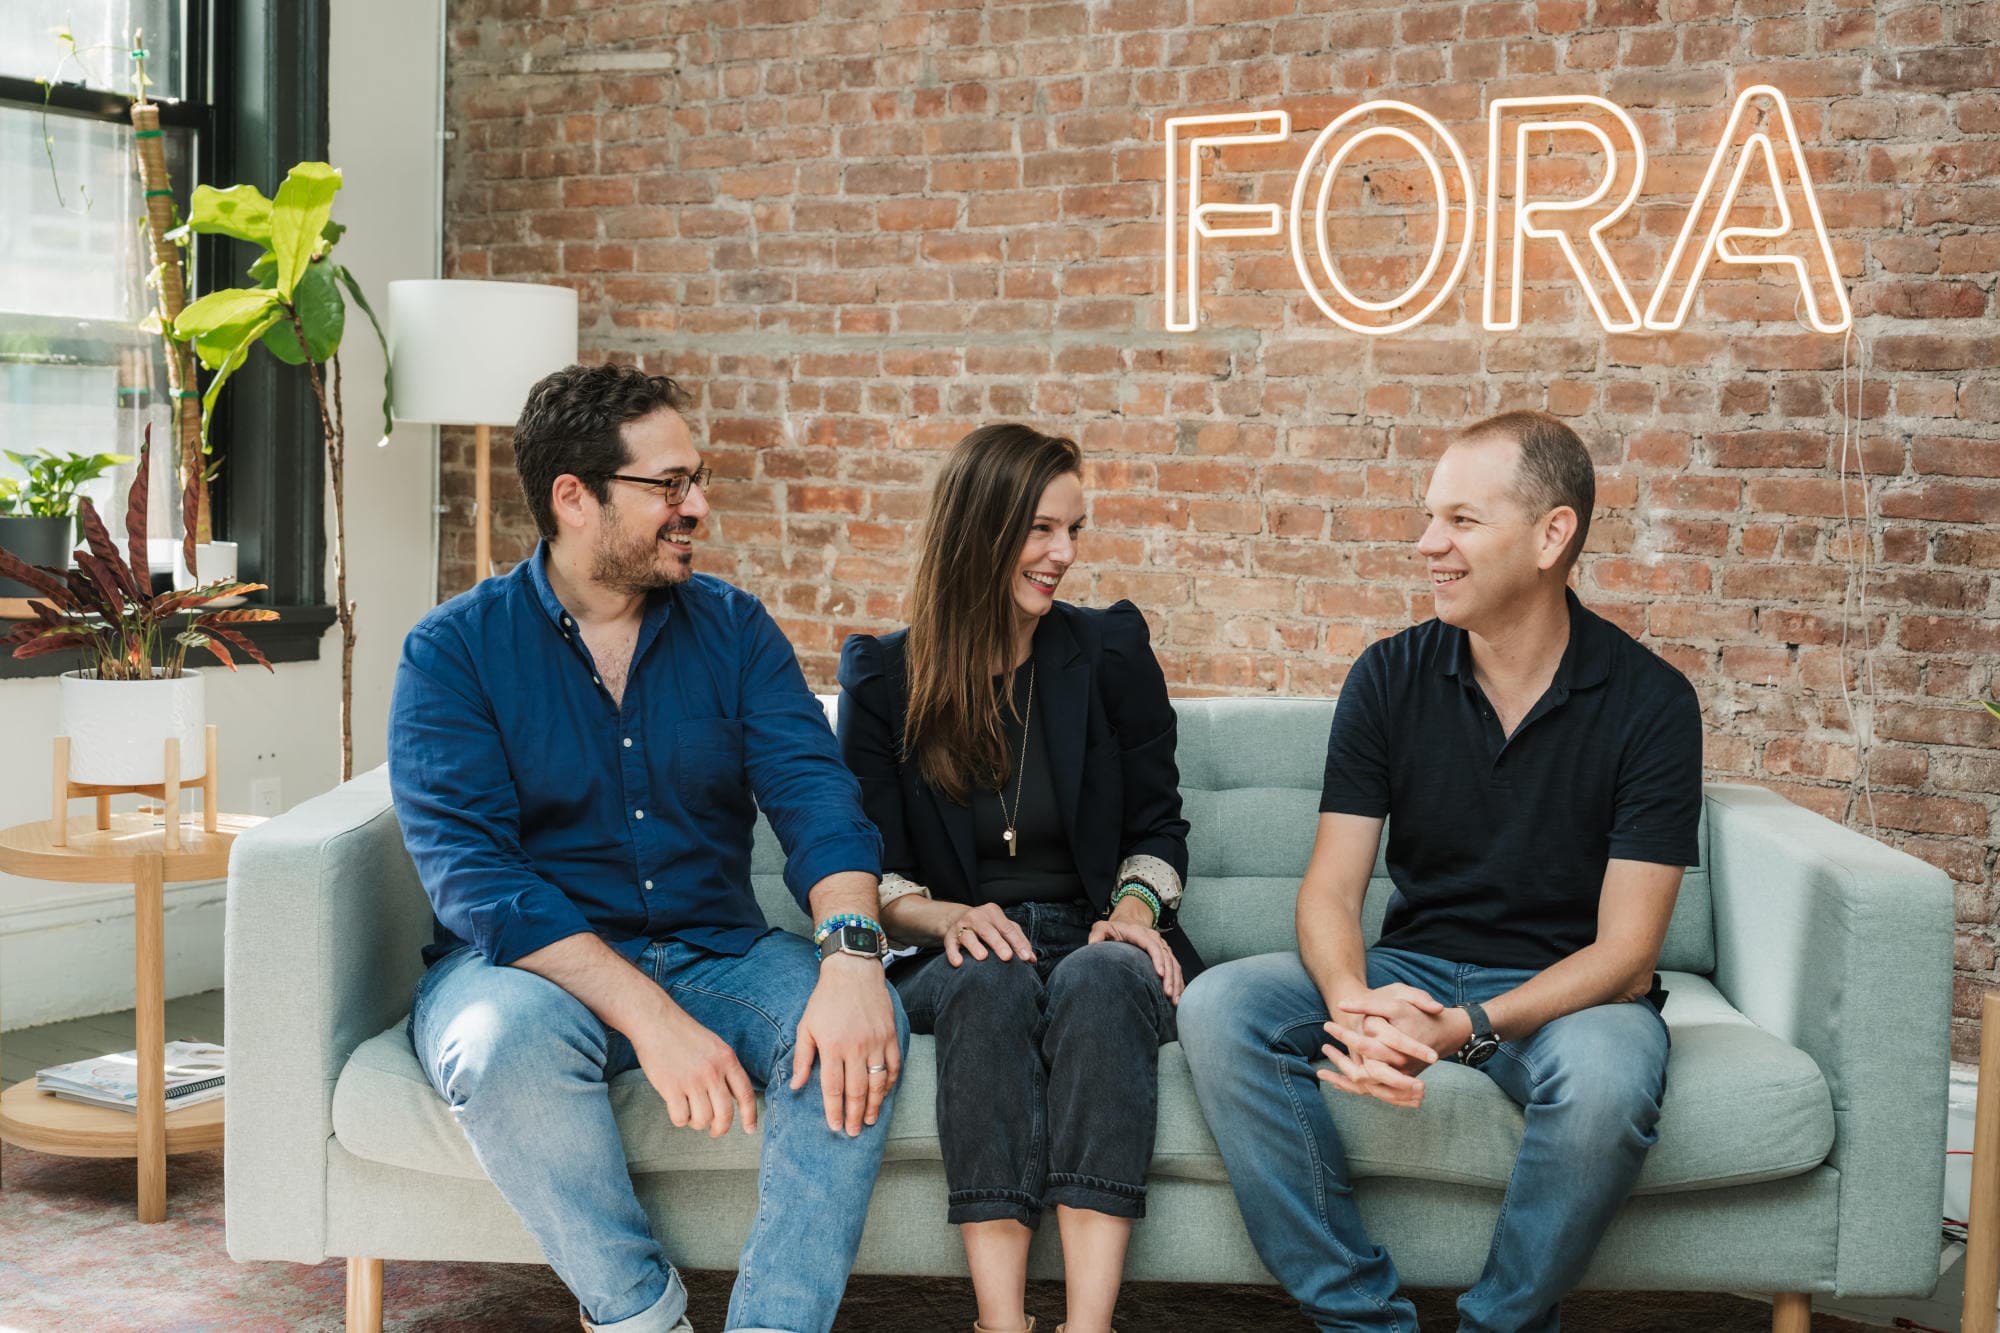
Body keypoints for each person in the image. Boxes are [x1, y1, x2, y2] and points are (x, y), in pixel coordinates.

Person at [388, 363, 907, 1333]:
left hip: (715, 949)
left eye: (695, 479)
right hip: (532, 971)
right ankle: (637, 1312)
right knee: (496, 1048)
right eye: (667, 485)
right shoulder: (452, 652)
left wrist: (850, 954)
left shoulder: (734, 630)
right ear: (573, 497)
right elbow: (479, 881)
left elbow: (815, 794)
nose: (696, 506)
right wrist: (649, 1018)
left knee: (860, 1030)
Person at [1178, 409, 1703, 1332]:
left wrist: (1465, 1027)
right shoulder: (1389, 676)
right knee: (1221, 1006)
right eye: (1430, 518)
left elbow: (1626, 954)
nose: (1429, 545)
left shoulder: (1652, 702)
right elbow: (1330, 891)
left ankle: (1495, 1325)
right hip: (1409, 966)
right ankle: (1361, 1318)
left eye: (1462, 520)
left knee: (1610, 1085)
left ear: (1552, 535)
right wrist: (1350, 1002)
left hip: (1571, 994)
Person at [835, 423, 1199, 1333]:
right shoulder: (884, 676)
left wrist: (1132, 909)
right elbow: (866, 864)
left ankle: (1087, 1324)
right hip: (949, 945)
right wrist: (947, 914)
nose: (1063, 555)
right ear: (978, 529)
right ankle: (1001, 1323)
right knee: (988, 976)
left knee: (1104, 977)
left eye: (1073, 531)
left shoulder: (1108, 651)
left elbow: (1159, 826)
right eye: (1041, 529)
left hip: (1095, 932)